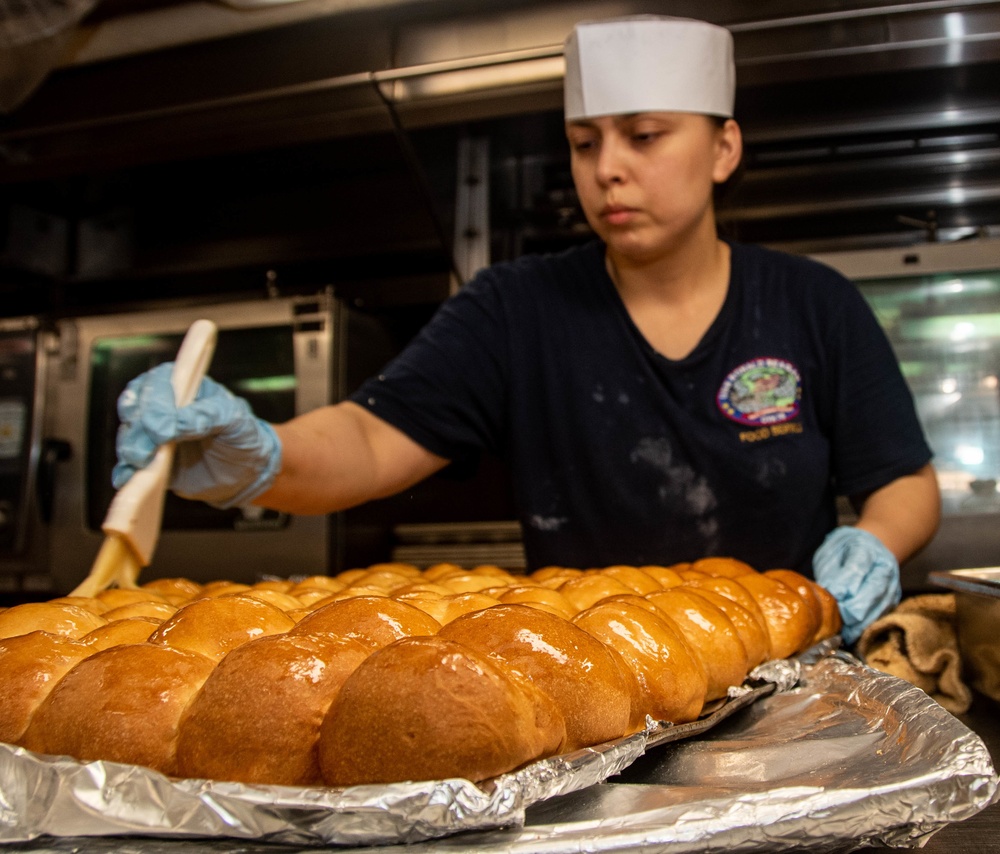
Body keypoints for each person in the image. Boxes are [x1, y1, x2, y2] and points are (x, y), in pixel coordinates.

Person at [112, 15, 940, 644]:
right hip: (588, 674)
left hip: (779, 657)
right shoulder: (516, 309)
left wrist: (871, 544)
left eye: (644, 136)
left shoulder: (814, 304)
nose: (607, 167)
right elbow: (370, 441)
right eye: (585, 143)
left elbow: (903, 481)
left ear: (724, 148)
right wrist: (261, 455)